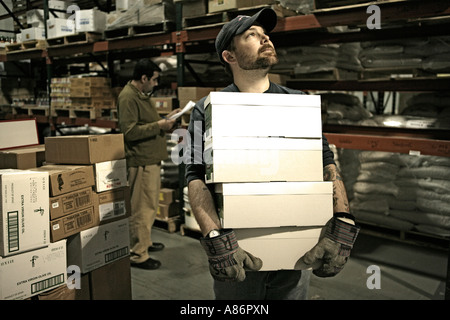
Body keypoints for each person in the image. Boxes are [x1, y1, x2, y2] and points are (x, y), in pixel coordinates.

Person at [185, 8, 360, 299]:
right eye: (251, 35)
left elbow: (326, 163)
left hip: (299, 252)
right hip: (239, 256)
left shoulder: (298, 102)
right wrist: (215, 238)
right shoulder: (206, 109)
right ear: (229, 56)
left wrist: (343, 221)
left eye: (266, 35)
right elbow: (195, 176)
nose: (266, 39)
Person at [118, 58, 180, 270]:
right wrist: (159, 125)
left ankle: (146, 243)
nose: (155, 84)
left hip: (151, 159)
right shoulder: (128, 98)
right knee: (141, 209)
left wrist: (166, 120)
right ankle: (138, 254)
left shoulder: (141, 95)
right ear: (143, 78)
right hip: (141, 161)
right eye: (153, 80)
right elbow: (130, 132)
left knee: (150, 206)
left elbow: (146, 124)